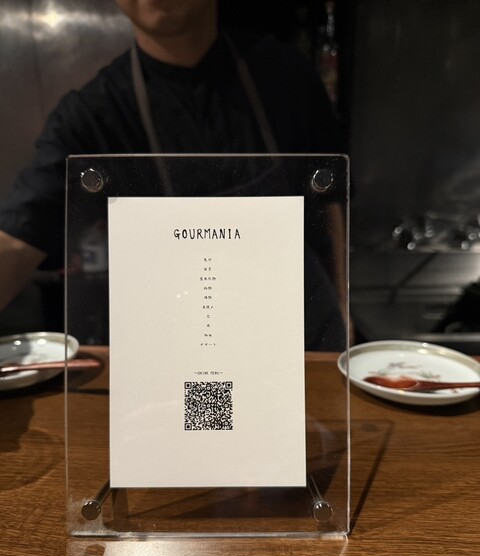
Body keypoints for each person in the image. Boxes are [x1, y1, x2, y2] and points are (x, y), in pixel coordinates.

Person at [0, 0, 347, 346]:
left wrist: (344, 318)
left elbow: (331, 207)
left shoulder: (287, 76)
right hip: (177, 347)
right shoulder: (90, 116)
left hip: (298, 342)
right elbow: (17, 240)